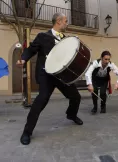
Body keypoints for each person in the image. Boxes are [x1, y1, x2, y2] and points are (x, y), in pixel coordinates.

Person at [17, 13, 83, 145]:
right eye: (65, 21)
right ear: (58, 21)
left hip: (62, 76)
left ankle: (71, 114)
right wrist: (23, 59)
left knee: (76, 97)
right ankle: (27, 132)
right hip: (46, 75)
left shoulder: (66, 40)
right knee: (41, 101)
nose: (67, 23)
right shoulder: (43, 36)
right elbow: (31, 49)